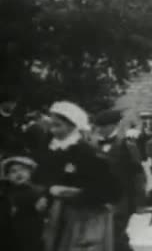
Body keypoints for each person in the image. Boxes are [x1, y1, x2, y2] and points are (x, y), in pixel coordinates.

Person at [33, 101, 121, 251]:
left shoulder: (86, 152)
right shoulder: (52, 149)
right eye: (52, 125)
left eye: (58, 125)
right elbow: (41, 178)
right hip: (55, 219)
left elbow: (110, 190)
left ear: (72, 126)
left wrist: (72, 193)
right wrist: (46, 194)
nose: (53, 130)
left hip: (83, 220)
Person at [93, 109, 146, 251]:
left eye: (102, 126)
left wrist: (139, 202)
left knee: (115, 235)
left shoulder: (128, 146)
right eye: (98, 126)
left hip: (122, 200)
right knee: (109, 238)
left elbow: (138, 175)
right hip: (100, 200)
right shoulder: (94, 146)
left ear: (112, 126)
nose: (99, 130)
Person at [0, 156, 46, 251]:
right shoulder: (6, 192)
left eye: (23, 170)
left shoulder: (35, 192)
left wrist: (40, 207)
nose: (19, 174)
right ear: (7, 176)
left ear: (29, 173)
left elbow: (40, 212)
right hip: (6, 235)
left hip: (26, 235)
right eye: (13, 171)